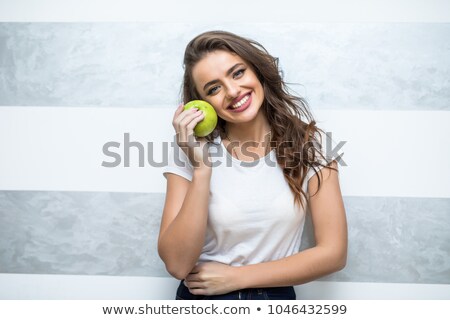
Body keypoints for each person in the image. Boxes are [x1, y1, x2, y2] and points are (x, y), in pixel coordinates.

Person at [158, 30, 347, 300]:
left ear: (257, 71)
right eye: (214, 88)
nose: (233, 91)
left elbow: (334, 253)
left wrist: (238, 278)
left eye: (237, 73)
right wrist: (201, 170)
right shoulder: (190, 150)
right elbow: (177, 265)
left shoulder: (311, 144)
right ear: (202, 104)